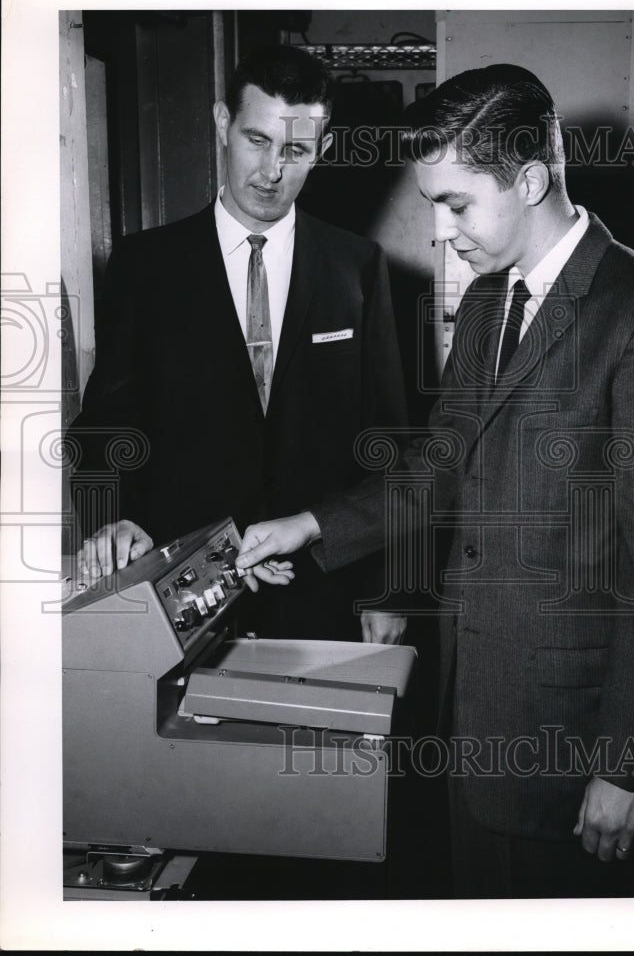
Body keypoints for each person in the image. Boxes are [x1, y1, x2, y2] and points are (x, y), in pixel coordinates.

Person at [234, 64, 634, 896]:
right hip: (474, 718)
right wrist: (313, 526)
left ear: (531, 179)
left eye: (456, 204)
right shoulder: (489, 303)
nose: (439, 230)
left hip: (575, 752)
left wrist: (632, 766)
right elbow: (440, 467)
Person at [67, 43, 408, 644]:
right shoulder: (144, 265)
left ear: (322, 151)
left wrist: (391, 587)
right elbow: (107, 422)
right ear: (223, 123)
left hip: (321, 588)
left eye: (296, 151)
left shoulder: (358, 266)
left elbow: (386, 442)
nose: (271, 171)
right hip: (180, 587)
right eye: (257, 140)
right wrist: (109, 517)